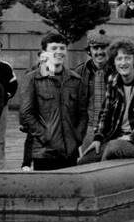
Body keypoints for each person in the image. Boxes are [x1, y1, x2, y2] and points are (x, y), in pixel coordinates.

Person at [80, 40, 134, 163]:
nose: (123, 63)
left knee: (113, 148)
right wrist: (98, 138)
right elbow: (105, 112)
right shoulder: (113, 81)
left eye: (127, 58)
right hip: (116, 137)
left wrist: (133, 136)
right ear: (114, 63)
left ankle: (104, 178)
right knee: (85, 160)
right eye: (119, 59)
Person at [17, 33, 85, 171]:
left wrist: (77, 137)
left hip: (69, 152)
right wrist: (45, 136)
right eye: (54, 48)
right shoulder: (33, 79)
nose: (59, 52)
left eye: (62, 48)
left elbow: (82, 113)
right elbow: (26, 114)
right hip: (44, 153)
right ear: (44, 53)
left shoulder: (75, 79)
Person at [74, 32, 112, 157]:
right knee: (87, 164)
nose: (99, 52)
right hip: (88, 129)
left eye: (103, 47)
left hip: (112, 129)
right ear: (89, 50)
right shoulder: (79, 72)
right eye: (95, 48)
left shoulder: (117, 70)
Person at [0, 41, 15, 168]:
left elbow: (13, 83)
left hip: (1, 107)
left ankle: (0, 165)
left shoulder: (6, 67)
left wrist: (7, 95)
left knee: (0, 138)